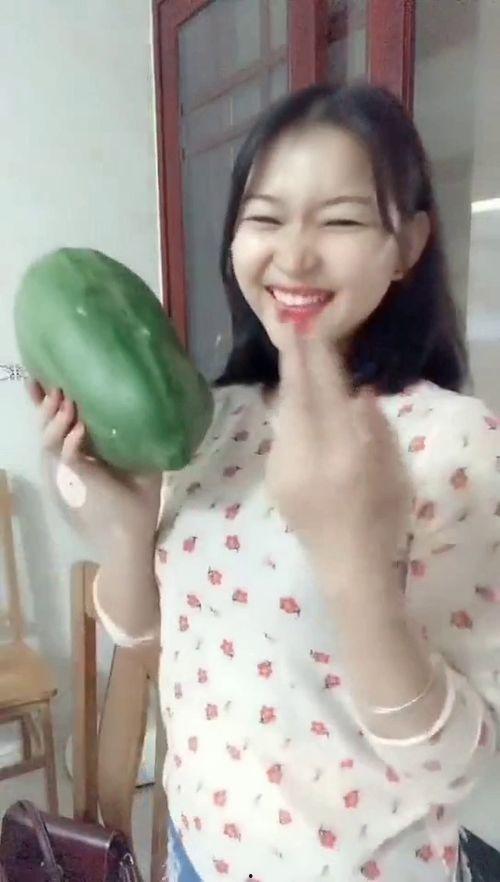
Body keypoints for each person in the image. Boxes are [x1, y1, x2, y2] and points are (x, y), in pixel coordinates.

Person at [29, 84, 500, 882]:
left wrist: (354, 569)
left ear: (409, 244)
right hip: (197, 857)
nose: (294, 255)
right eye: (266, 218)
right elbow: (154, 640)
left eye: (341, 221)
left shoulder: (456, 447)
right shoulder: (212, 423)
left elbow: (458, 768)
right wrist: (127, 532)